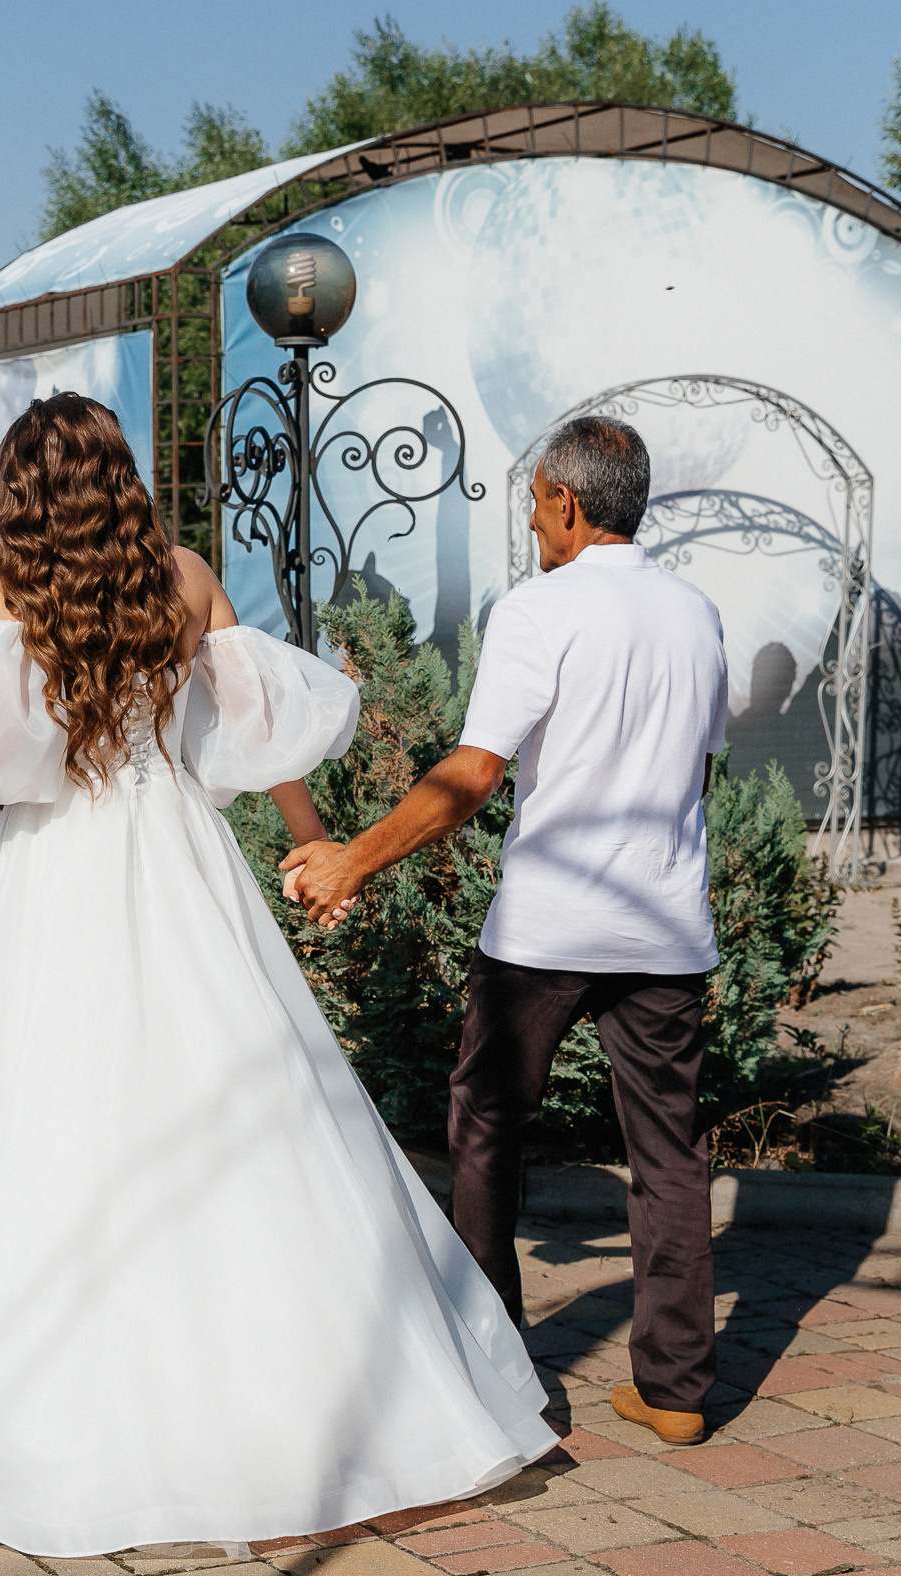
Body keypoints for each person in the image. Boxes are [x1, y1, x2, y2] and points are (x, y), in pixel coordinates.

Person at [0, 393, 558, 1558]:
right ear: (121, 475)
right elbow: (261, 737)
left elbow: (15, 763)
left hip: (57, 875)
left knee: (38, 1101)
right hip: (178, 861)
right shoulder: (185, 577)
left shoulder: (18, 594)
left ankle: (54, 1377)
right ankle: (317, 1383)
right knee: (243, 1092)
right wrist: (319, 850)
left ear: (19, 492)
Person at [280, 415, 729, 1447]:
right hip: (664, 926)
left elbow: (474, 775)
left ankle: (486, 1361)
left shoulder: (541, 608)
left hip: (548, 927)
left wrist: (353, 856)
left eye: (534, 504)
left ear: (569, 504)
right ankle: (675, 1388)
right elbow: (699, 767)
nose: (530, 524)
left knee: (484, 1128)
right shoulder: (697, 613)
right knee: (668, 1154)